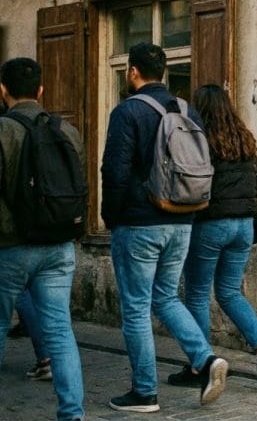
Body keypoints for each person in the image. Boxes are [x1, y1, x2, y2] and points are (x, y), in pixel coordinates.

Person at [101, 43, 228, 413]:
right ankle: (205, 360)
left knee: (137, 307)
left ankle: (144, 392)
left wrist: (112, 218)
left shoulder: (128, 112)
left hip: (140, 223)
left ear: (132, 72)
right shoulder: (187, 110)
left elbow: (115, 171)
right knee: (167, 297)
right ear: (165, 73)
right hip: (183, 219)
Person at [166, 84, 257, 391]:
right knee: (229, 291)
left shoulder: (201, 138)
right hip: (244, 225)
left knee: (198, 294)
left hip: (211, 224)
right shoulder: (244, 137)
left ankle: (200, 365)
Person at [0, 57, 86, 421]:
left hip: (10, 246)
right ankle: (72, 414)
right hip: (58, 245)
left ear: (2, 91)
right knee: (61, 332)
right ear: (40, 90)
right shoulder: (67, 130)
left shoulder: (3, 130)